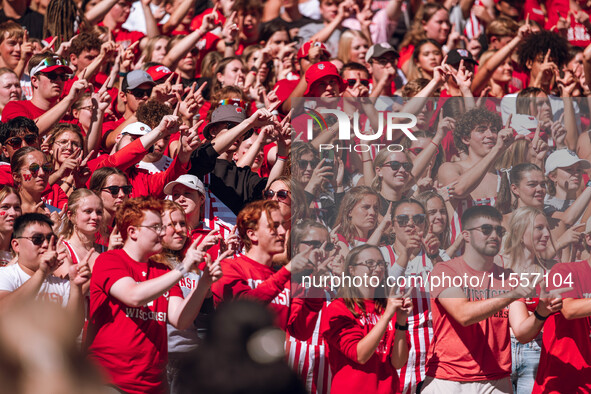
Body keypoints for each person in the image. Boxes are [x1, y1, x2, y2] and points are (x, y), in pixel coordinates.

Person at [87, 196, 222, 394]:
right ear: (133, 232)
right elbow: (133, 295)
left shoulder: (163, 271)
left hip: (154, 384)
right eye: (156, 227)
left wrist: (202, 285)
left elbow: (180, 320)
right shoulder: (109, 260)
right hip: (109, 381)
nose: (163, 232)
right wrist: (184, 267)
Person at [422, 205, 562, 393]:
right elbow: (463, 315)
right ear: (466, 235)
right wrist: (513, 294)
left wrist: (541, 313)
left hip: (496, 380)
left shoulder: (508, 277)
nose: (494, 235)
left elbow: (521, 332)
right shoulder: (445, 270)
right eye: (486, 230)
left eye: (499, 230)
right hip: (449, 379)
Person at [211, 199, 323, 338]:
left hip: (270, 358)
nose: (282, 232)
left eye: (283, 225)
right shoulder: (229, 267)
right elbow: (244, 309)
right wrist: (286, 272)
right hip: (232, 358)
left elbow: (300, 332)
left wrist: (317, 285)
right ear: (252, 234)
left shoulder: (287, 279)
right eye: (274, 226)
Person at [321, 244, 412, 394]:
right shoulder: (338, 308)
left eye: (381, 264)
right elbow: (360, 355)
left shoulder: (388, 307)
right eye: (370, 264)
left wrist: (401, 322)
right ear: (352, 270)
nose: (377, 269)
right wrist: (387, 316)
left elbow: (398, 362)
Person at [0, 213, 90, 334]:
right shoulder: (5, 275)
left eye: (50, 239)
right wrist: (41, 273)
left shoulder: (62, 284)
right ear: (16, 245)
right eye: (37, 239)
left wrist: (76, 286)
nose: (46, 245)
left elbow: (73, 329)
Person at [0, 185, 21, 265]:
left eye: (17, 208)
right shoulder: (19, 257)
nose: (13, 213)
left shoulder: (23, 250)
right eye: (5, 207)